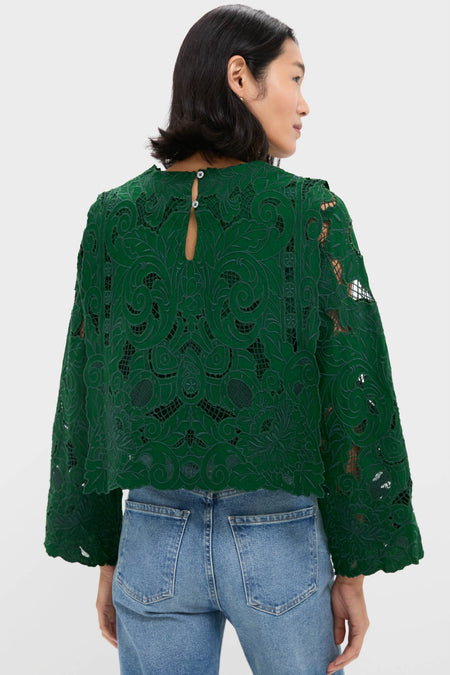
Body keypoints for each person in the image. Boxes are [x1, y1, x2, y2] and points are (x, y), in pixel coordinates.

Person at [43, 5, 424, 674]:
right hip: (279, 539)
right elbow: (352, 384)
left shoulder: (114, 217)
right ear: (240, 76)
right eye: (295, 77)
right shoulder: (311, 213)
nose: (305, 103)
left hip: (153, 538)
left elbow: (91, 387)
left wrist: (109, 554)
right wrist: (353, 568)